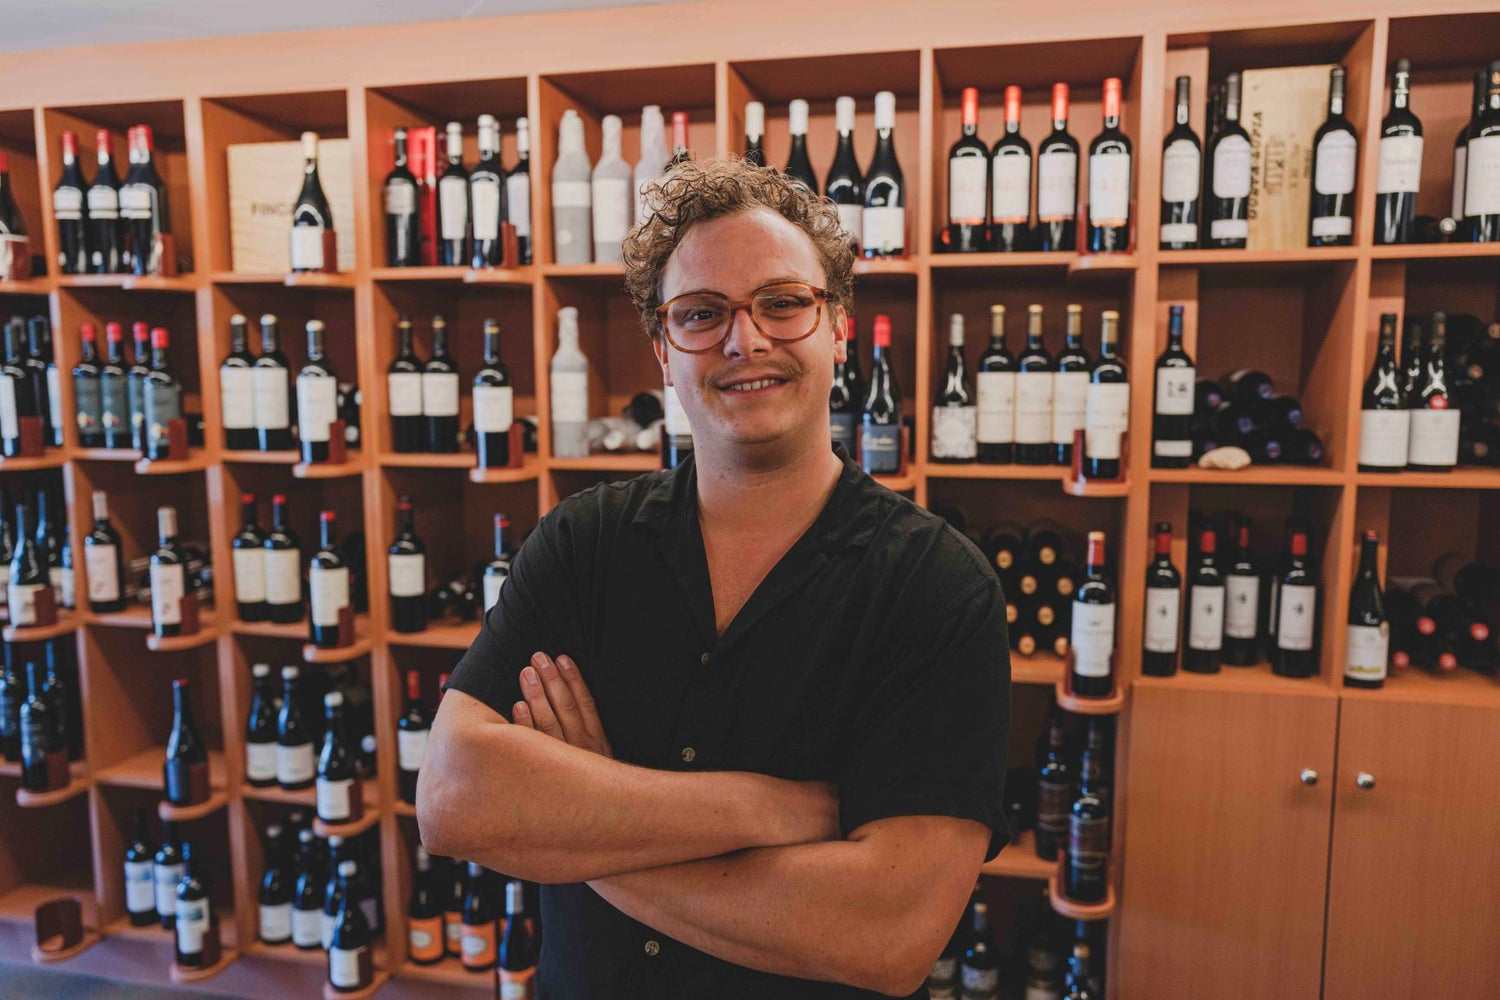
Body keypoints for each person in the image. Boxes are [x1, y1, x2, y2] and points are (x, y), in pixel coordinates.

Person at [420, 157, 1010, 999]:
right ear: (664, 350)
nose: (746, 340)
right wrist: (761, 809)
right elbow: (453, 799)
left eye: (782, 302)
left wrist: (578, 827)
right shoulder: (583, 544)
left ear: (838, 325)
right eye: (701, 314)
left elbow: (890, 932)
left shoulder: (936, 587)